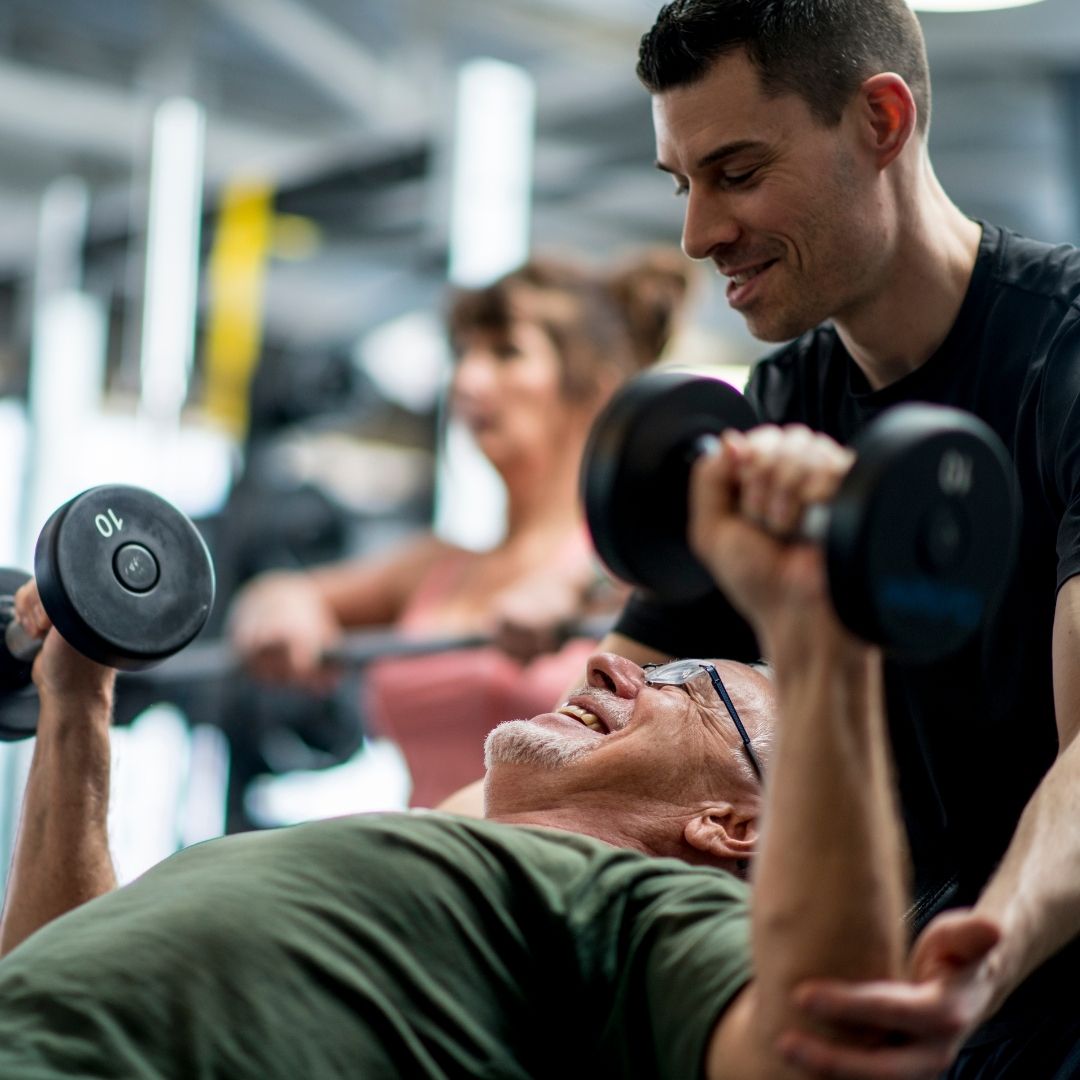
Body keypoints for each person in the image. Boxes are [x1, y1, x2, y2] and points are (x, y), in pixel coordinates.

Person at [0, 428, 965, 1079]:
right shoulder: (403, 858)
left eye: (687, 687)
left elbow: (819, 1049)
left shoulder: (628, 917)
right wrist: (79, 697)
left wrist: (820, 636)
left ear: (732, 825)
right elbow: (50, 962)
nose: (613, 667)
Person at [564, 1, 1080, 1075]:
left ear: (880, 122)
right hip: (907, 995)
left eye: (738, 173)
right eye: (683, 184)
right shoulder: (781, 404)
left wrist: (987, 952)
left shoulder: (1062, 355)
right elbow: (599, 723)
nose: (699, 233)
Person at [227, 249, 695, 809]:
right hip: (421, 872)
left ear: (596, 387)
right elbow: (282, 591)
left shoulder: (629, 563)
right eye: (464, 353)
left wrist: (578, 587)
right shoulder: (438, 567)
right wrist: (280, 606)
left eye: (506, 353)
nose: (467, 380)